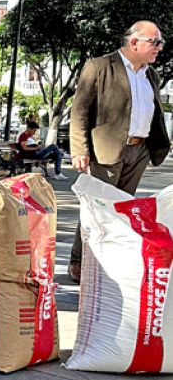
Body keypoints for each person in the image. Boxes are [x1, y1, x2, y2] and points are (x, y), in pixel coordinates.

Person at [69, 20, 171, 282]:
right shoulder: (99, 67)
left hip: (139, 151)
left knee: (122, 211)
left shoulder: (151, 75)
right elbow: (80, 110)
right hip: (105, 151)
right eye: (155, 42)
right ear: (134, 42)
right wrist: (79, 149)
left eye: (160, 42)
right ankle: (80, 261)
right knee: (96, 210)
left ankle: (106, 263)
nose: (159, 47)